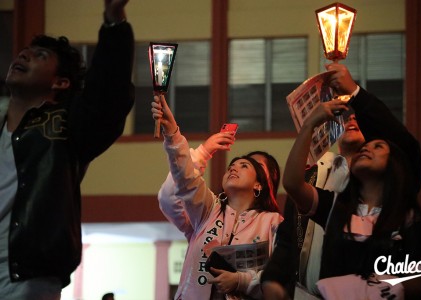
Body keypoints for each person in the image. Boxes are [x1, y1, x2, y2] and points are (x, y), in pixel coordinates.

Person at [0, 0, 134, 298]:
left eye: (40, 55)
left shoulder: (66, 126)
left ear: (60, 82)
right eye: (25, 52)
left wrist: (114, 24)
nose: (24, 55)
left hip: (26, 278)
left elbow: (107, 96)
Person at [283, 64, 421, 299]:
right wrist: (309, 125)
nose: (367, 149)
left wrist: (373, 288)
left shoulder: (409, 218)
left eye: (377, 145)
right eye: (366, 147)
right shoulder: (336, 207)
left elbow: (419, 284)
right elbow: (292, 184)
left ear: (395, 163)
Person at [152, 94, 283, 300]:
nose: (234, 168)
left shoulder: (273, 222)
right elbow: (185, 180)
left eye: (246, 166)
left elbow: (281, 277)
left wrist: (240, 280)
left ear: (261, 184)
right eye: (232, 165)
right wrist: (174, 134)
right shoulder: (209, 209)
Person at [261, 112, 365, 300]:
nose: (351, 119)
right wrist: (272, 278)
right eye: (346, 116)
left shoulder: (376, 181)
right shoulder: (312, 175)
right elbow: (288, 236)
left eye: (358, 117)